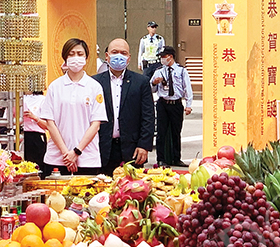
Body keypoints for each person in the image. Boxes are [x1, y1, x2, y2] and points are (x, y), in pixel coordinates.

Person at [38, 39, 108, 176]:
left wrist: (76, 152)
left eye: (80, 54)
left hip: (87, 158)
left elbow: (96, 125)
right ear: (65, 58)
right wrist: (66, 154)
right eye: (71, 54)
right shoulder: (55, 87)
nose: (76, 57)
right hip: (57, 158)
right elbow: (50, 123)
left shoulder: (94, 87)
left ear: (86, 58)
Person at [93, 38, 155, 175]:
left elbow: (148, 116)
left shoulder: (141, 82)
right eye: (115, 52)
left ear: (129, 58)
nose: (119, 56)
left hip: (132, 150)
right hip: (101, 148)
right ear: (107, 56)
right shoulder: (95, 82)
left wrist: (144, 145)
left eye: (123, 53)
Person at [151, 46, 193, 168]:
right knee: (161, 132)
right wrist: (154, 83)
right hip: (163, 103)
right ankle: (161, 159)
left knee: (176, 132)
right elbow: (151, 88)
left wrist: (188, 105)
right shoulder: (159, 70)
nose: (162, 59)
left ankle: (176, 158)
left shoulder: (181, 70)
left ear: (170, 57)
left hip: (176, 104)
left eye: (164, 56)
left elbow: (187, 88)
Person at [22, 91, 47, 173]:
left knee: (37, 167)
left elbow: (48, 125)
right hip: (20, 136)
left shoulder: (42, 99)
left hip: (36, 137)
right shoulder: (18, 98)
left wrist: (34, 117)